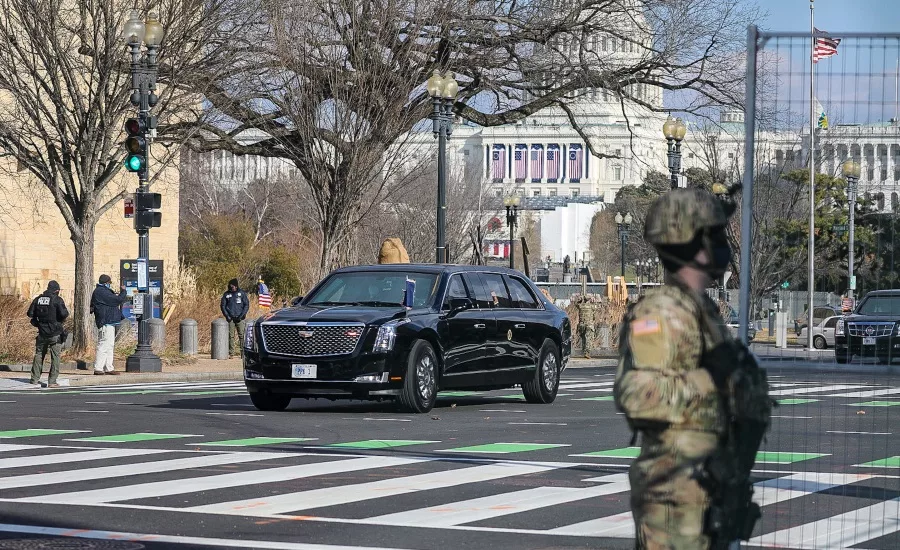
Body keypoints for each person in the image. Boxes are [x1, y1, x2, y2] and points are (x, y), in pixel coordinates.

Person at [614, 188, 773, 549]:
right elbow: (636, 395)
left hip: (710, 488)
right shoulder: (660, 312)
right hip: (675, 496)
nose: (723, 244)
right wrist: (709, 378)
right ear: (690, 242)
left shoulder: (702, 311)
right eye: (715, 234)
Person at [26, 280, 69, 387]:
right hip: (55, 333)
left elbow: (30, 314)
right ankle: (52, 381)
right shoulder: (57, 300)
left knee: (39, 354)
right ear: (57, 290)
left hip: (41, 333)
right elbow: (64, 314)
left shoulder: (38, 299)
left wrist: (38, 323)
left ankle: (34, 379)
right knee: (55, 357)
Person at [90, 274, 129, 375]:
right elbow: (117, 300)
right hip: (105, 321)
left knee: (109, 345)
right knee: (104, 344)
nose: (109, 284)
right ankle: (98, 368)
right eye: (109, 283)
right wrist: (123, 291)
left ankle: (109, 367)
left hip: (109, 321)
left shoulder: (102, 291)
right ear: (106, 283)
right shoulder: (101, 292)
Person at [221, 278, 249, 353]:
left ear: (236, 286)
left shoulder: (242, 293)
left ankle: (243, 352)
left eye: (232, 286)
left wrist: (242, 315)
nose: (231, 287)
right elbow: (223, 306)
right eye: (230, 286)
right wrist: (227, 316)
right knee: (231, 336)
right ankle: (231, 352)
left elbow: (246, 305)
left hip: (240, 318)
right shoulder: (226, 294)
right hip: (231, 318)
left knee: (242, 335)